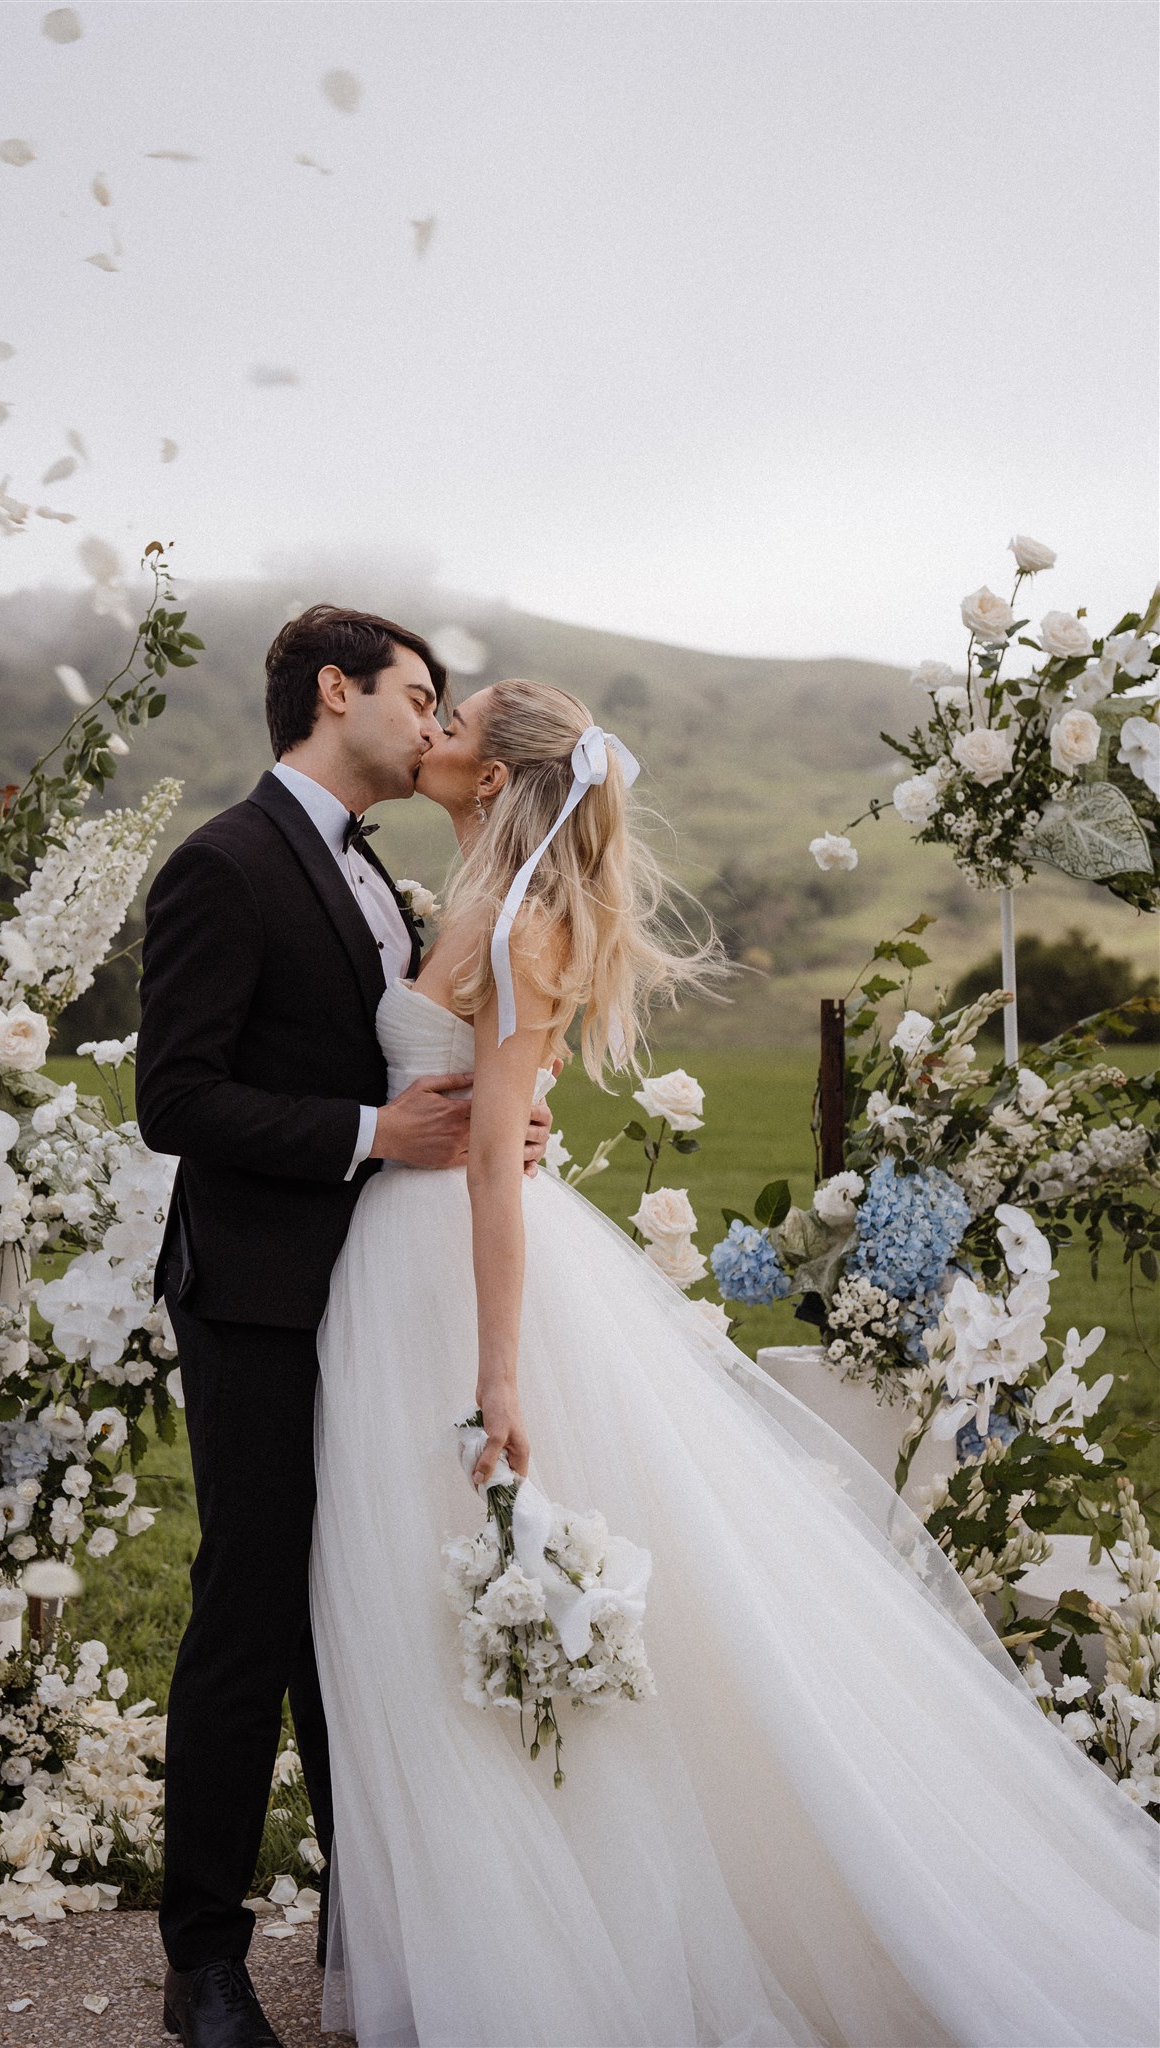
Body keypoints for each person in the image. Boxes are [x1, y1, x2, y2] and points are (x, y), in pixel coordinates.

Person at [308, 677, 1160, 2048]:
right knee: (419, 1608)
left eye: (455, 716)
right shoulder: (461, 897)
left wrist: (502, 1374)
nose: (434, 725)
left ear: (496, 771)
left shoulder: (522, 926)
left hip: (458, 1283)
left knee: (494, 1583)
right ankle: (494, 1928)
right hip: (393, 1266)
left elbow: (491, 1168)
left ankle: (556, 1957)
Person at [134, 609, 556, 2048]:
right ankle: (202, 1963)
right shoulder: (224, 860)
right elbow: (172, 1101)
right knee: (248, 1606)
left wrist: (495, 1123)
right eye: (418, 698)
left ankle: (367, 1929)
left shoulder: (375, 874)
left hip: (374, 1296)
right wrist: (381, 1128)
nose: (434, 727)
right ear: (336, 693)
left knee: (358, 1606)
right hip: (254, 1289)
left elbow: (427, 1069)